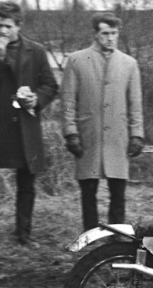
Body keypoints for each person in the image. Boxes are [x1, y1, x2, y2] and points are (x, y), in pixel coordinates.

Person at [61, 12, 144, 232]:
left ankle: (116, 237)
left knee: (118, 192)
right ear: (96, 34)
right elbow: (68, 101)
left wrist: (137, 134)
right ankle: (90, 235)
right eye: (105, 33)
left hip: (118, 137)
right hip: (89, 135)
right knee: (88, 191)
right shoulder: (77, 60)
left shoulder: (129, 64)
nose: (110, 38)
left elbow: (135, 103)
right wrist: (71, 132)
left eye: (114, 33)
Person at [0, 1, 58, 246]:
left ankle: (24, 233)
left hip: (24, 127)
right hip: (1, 126)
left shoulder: (35, 51)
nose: (2, 31)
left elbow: (51, 85)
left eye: (7, 26)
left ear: (19, 26)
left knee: (26, 183)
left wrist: (37, 99)